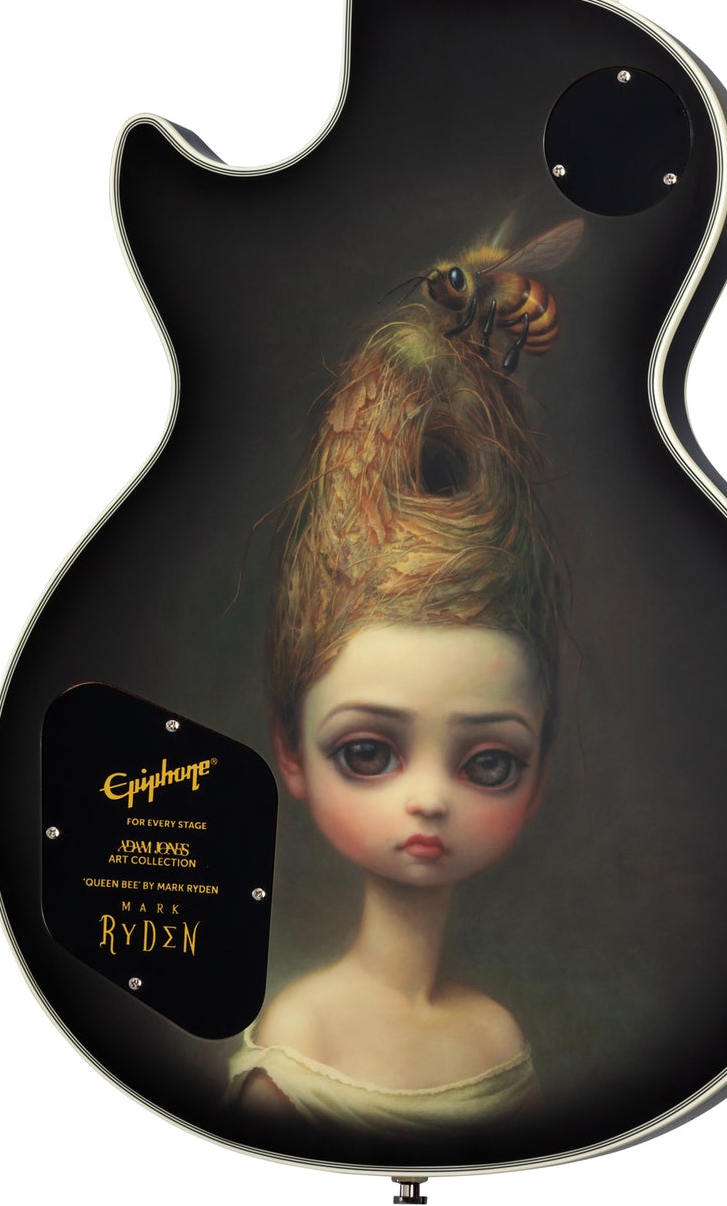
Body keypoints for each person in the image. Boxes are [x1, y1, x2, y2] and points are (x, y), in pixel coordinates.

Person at [227, 306, 564, 1144]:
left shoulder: (494, 1039)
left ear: (538, 774)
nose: (428, 800)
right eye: (368, 751)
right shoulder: (301, 1039)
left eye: (489, 762)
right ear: (290, 750)